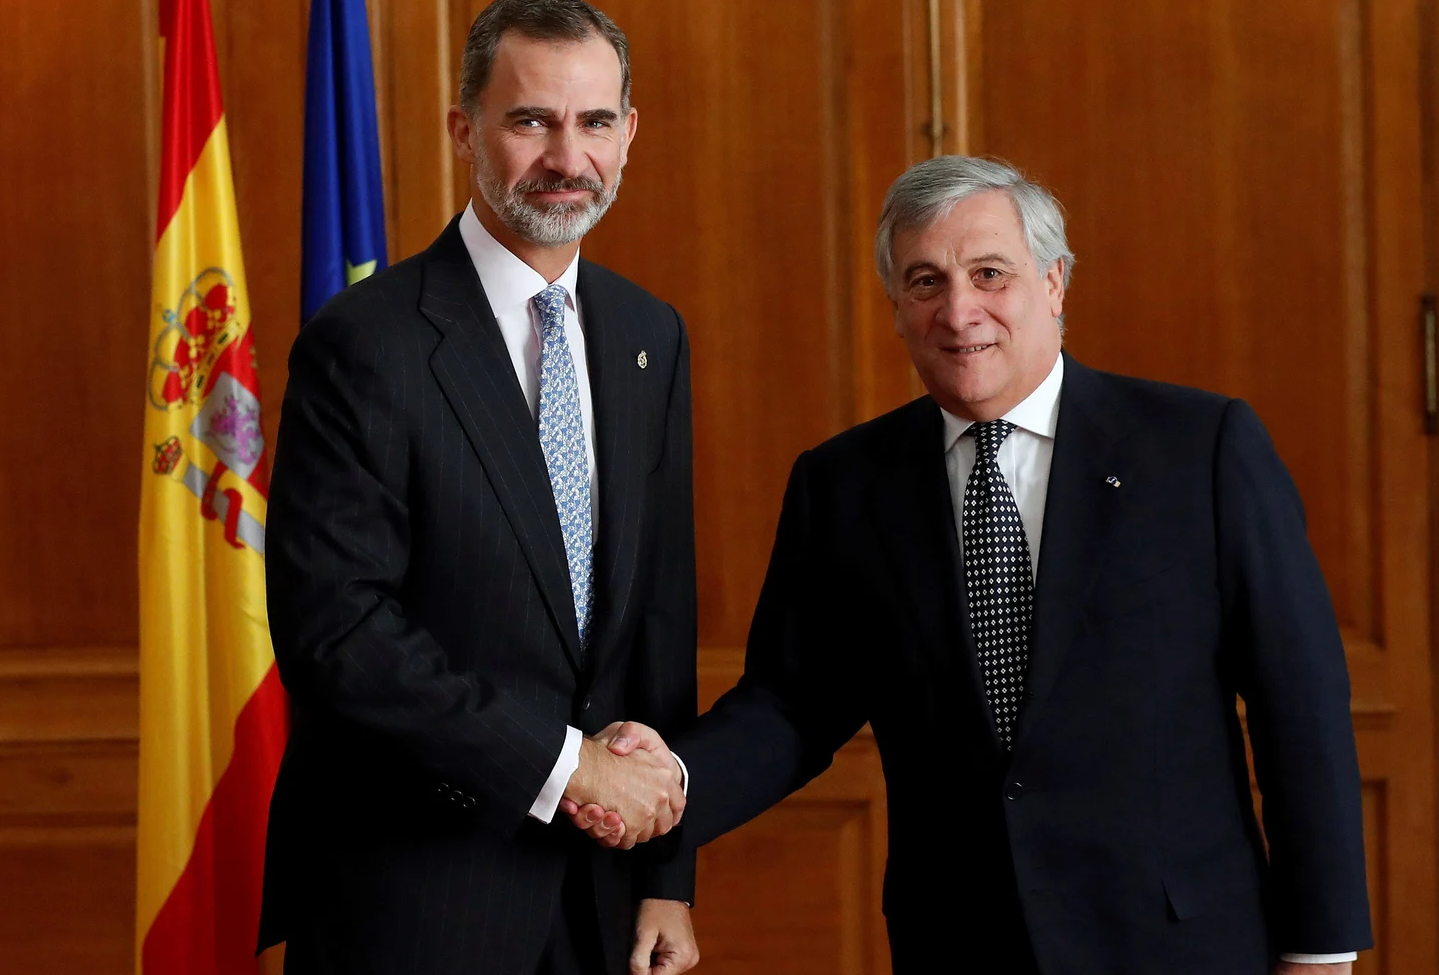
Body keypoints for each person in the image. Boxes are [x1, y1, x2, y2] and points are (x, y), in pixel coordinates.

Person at [572, 156, 1372, 973]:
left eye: (990, 274)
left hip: (1177, 942)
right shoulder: (845, 484)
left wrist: (1320, 948)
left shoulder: (1199, 449)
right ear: (896, 309)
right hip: (960, 941)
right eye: (925, 282)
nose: (960, 312)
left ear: (1055, 282)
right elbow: (793, 704)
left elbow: (1297, 703)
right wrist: (673, 775)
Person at [259, 0, 700, 975]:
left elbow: (657, 625)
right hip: (416, 900)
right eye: (530, 120)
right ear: (465, 128)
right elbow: (340, 637)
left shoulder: (646, 336)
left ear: (629, 134)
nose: (565, 157)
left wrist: (668, 871)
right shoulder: (363, 345)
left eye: (593, 122)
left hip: (604, 897)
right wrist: (564, 764)